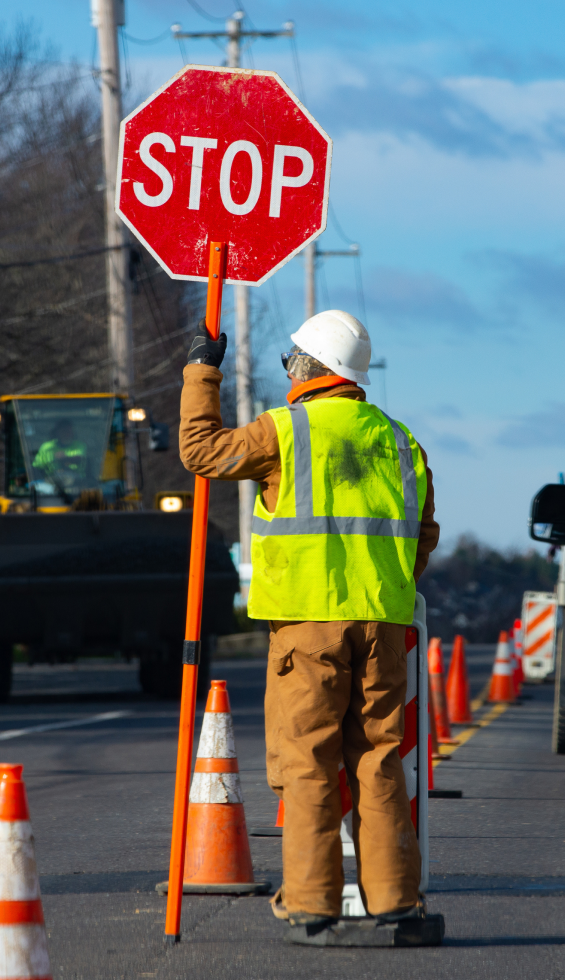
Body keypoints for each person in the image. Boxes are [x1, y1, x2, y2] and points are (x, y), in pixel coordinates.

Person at [178, 309, 439, 929]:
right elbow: (423, 534)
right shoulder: (401, 440)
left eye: (289, 359)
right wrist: (387, 589)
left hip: (307, 628)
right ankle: (396, 901)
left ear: (305, 367)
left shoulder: (282, 431)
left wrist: (200, 371)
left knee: (309, 764)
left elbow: (199, 452)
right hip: (381, 626)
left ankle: (313, 901)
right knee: (379, 762)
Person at [32, 420, 87, 488]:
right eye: (63, 430)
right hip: (51, 481)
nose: (66, 433)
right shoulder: (47, 447)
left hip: (76, 482)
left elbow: (79, 459)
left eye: (68, 430)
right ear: (57, 432)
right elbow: (37, 467)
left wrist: (65, 458)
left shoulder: (79, 446)